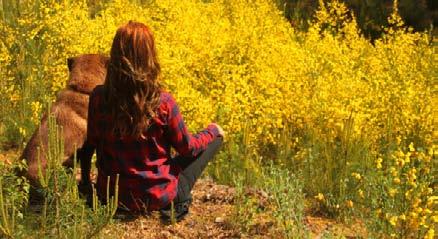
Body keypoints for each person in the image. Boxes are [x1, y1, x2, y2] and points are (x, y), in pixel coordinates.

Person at [78, 21, 224, 223]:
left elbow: (92, 142)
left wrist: (87, 184)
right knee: (214, 139)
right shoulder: (163, 102)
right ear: (150, 56)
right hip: (158, 198)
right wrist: (212, 131)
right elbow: (188, 149)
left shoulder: (98, 97)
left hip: (111, 198)